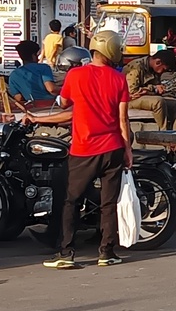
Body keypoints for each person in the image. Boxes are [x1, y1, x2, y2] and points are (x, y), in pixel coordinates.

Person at [45, 31, 134, 269]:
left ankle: (66, 252)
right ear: (113, 51)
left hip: (83, 149)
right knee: (108, 203)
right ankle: (106, 252)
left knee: (71, 200)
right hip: (113, 148)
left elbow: (63, 103)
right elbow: (123, 119)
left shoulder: (75, 75)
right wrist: (128, 151)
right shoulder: (119, 79)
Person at [124, 50, 176, 129]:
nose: (163, 72)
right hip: (130, 99)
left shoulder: (154, 69)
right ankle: (163, 132)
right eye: (164, 69)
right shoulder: (135, 67)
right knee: (158, 102)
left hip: (147, 97)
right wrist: (154, 88)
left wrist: (160, 89)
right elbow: (132, 91)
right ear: (158, 62)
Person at [6, 39, 60, 108]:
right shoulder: (44, 68)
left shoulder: (14, 75)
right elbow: (51, 89)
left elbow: (18, 98)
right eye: (37, 55)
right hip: (51, 106)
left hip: (31, 108)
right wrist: (66, 90)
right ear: (33, 55)